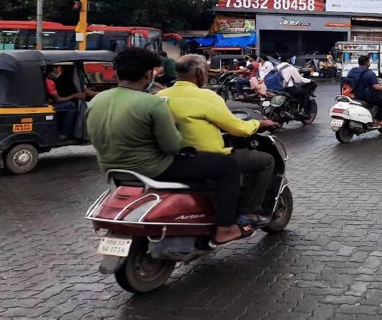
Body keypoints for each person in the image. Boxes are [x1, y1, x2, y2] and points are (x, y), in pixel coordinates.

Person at [86, 48, 248, 246]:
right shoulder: (153, 103)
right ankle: (225, 228)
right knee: (227, 166)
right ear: (148, 75)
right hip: (154, 169)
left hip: (113, 170)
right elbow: (172, 146)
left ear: (116, 73)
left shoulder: (96, 101)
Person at [159, 55, 278, 227]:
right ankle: (247, 211)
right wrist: (259, 123)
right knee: (266, 161)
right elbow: (237, 128)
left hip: (173, 159)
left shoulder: (161, 95)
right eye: (206, 72)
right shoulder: (207, 96)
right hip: (207, 159)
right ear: (200, 73)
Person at [346, 55, 382, 127]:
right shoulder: (370, 73)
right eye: (369, 62)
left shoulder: (352, 71)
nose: (369, 64)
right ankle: (378, 120)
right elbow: (376, 87)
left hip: (353, 95)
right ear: (367, 63)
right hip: (365, 97)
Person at [45, 65, 88, 138]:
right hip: (49, 107)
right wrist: (74, 96)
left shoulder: (50, 79)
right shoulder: (50, 82)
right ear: (49, 72)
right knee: (71, 105)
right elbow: (58, 100)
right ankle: (64, 132)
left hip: (47, 104)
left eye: (57, 68)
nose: (56, 71)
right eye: (54, 69)